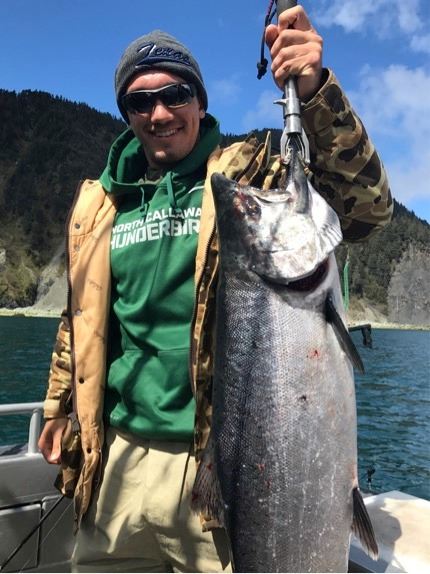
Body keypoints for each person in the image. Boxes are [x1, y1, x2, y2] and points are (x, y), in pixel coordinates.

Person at [38, 5, 392, 572]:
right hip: (114, 464)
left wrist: (315, 92)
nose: (159, 113)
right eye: (139, 101)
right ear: (126, 113)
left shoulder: (248, 179)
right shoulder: (99, 204)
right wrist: (58, 406)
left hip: (224, 465)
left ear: (200, 102)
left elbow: (367, 209)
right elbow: (79, 318)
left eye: (175, 94)